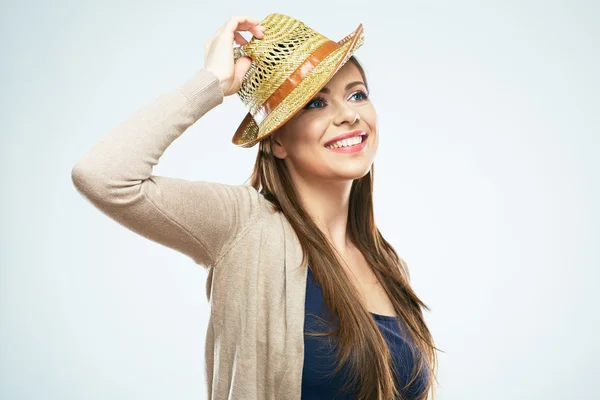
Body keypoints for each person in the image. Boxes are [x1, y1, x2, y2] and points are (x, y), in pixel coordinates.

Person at [72, 13, 439, 400]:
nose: (349, 114)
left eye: (357, 94)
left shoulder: (386, 261)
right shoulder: (243, 224)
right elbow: (103, 175)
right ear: (276, 141)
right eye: (315, 102)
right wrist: (210, 83)